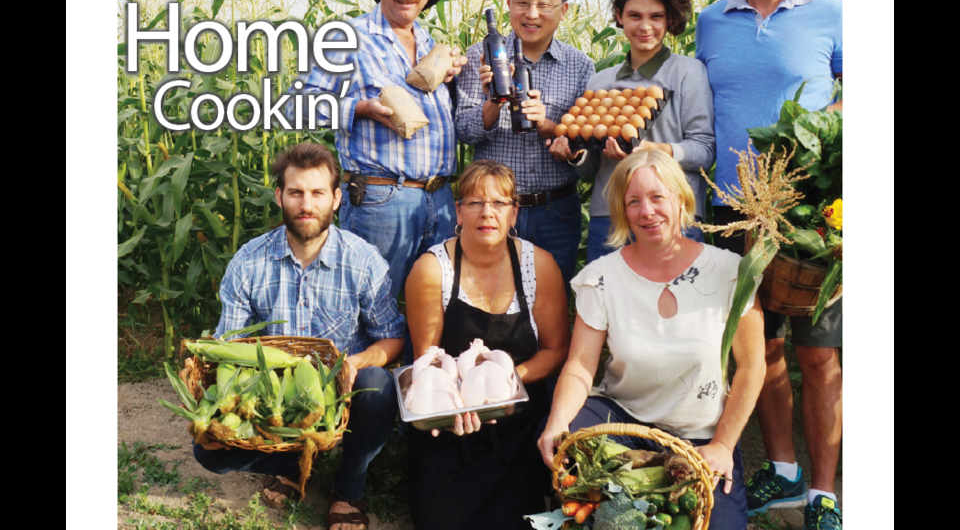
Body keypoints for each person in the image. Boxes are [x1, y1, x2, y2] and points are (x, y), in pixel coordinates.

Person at [695, 0, 843, 529]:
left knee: (820, 355)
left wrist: (826, 126)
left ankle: (823, 492)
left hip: (809, 214)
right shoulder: (709, 22)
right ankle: (780, 472)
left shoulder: (834, 14)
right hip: (733, 213)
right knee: (762, 352)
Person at [537, 150, 765, 530]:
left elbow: (754, 366)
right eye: (634, 201)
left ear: (681, 199)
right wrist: (556, 424)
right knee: (567, 447)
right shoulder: (602, 277)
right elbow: (580, 366)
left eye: (658, 197)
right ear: (622, 211)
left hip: (701, 437)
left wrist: (723, 446)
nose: (647, 211)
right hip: (623, 421)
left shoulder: (729, 271)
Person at [192, 142, 402, 530]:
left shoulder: (362, 260)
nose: (307, 204)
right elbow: (230, 349)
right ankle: (294, 460)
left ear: (337, 199)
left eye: (318, 193)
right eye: (296, 192)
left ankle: (347, 488)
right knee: (209, 452)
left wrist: (356, 363)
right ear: (279, 197)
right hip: (277, 400)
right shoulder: (249, 262)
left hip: (343, 393)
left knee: (379, 386)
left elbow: (392, 338)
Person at [291, 0, 467, 306]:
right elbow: (296, 104)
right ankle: (365, 368)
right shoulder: (347, 37)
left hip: (440, 199)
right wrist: (359, 108)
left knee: (437, 306)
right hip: (381, 197)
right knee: (372, 303)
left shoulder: (434, 47)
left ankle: (418, 368)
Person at [404, 160, 571, 530]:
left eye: (499, 204)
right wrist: (454, 408)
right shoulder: (432, 270)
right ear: (458, 212)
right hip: (456, 418)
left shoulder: (538, 266)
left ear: (514, 213)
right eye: (475, 203)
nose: (487, 213)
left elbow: (557, 349)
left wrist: (507, 382)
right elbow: (427, 362)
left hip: (519, 415)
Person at [548, 0, 714, 263]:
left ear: (671, 19)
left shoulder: (688, 72)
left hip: (673, 216)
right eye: (635, 16)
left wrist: (653, 150)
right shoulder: (601, 81)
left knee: (677, 306)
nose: (645, 26)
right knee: (610, 306)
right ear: (620, 17)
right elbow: (591, 167)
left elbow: (704, 150)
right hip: (610, 218)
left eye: (656, 17)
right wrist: (574, 156)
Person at [457, 0, 595, 290]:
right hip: (493, 212)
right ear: (508, 5)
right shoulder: (481, 56)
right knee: (489, 304)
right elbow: (462, 131)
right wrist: (493, 100)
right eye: (523, 2)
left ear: (563, 11)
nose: (532, 14)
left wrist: (550, 126)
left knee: (552, 304)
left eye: (544, 5)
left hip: (556, 211)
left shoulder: (580, 66)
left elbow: (587, 146)